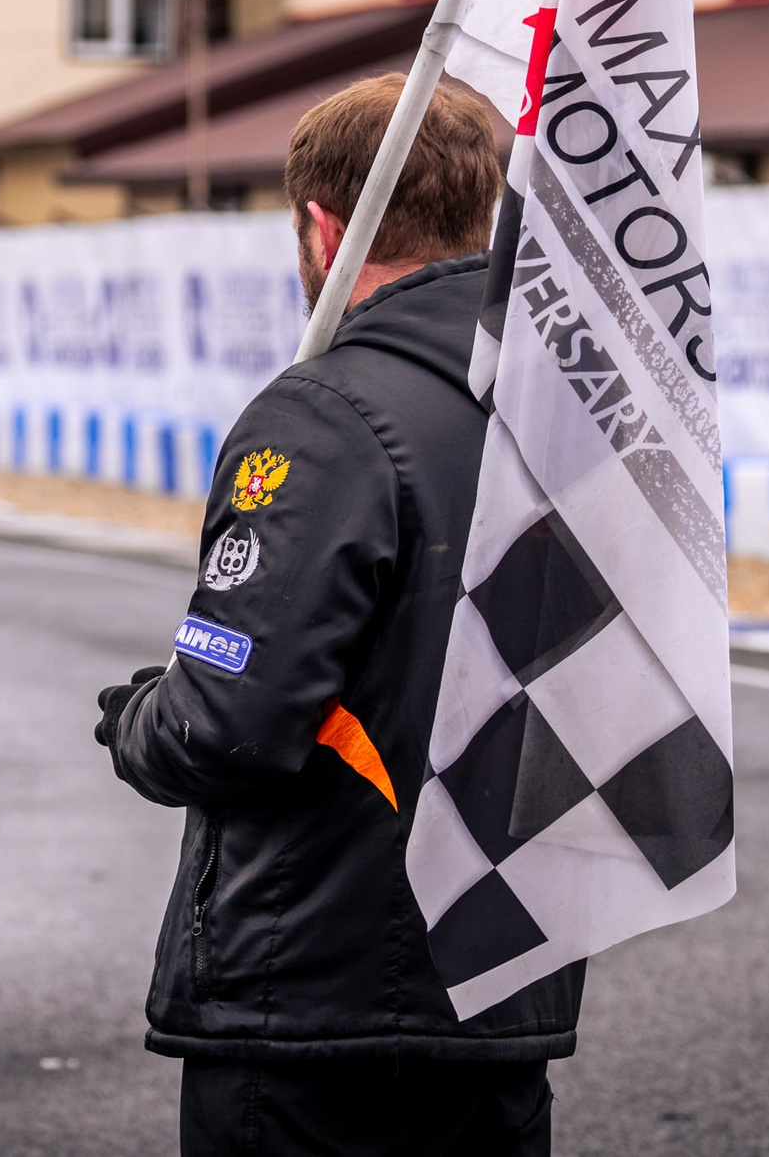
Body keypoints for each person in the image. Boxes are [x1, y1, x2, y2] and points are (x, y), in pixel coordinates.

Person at [94, 74, 573, 1157]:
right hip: (505, 982)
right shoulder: (557, 407)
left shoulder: (321, 412)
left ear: (322, 227)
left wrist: (134, 717)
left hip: (321, 1005)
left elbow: (225, 723)